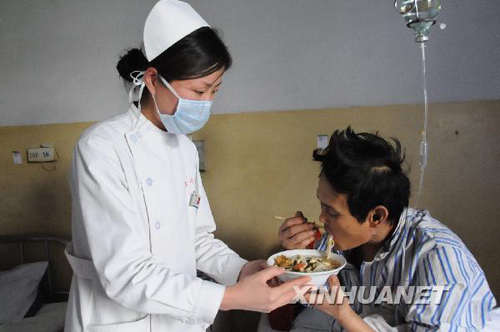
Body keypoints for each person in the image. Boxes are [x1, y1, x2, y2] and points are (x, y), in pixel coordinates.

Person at [64, 1, 310, 331]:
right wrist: (231, 298)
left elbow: (198, 240)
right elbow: (125, 274)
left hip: (179, 319)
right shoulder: (101, 148)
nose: (207, 102)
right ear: (153, 79)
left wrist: (243, 270)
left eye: (215, 90)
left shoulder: (183, 148)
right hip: (116, 321)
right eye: (198, 90)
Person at [276, 127, 496, 331]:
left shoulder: (438, 256)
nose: (321, 218)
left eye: (331, 212)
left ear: (376, 217)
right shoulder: (334, 245)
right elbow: (294, 310)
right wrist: (292, 262)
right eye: (321, 205)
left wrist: (347, 318)